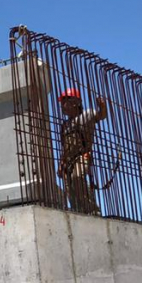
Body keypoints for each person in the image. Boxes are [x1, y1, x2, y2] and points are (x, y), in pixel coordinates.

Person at [57, 87, 108, 216]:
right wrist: (61, 163)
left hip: (82, 155)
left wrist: (102, 106)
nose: (62, 106)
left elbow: (102, 115)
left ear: (76, 102)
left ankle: (92, 210)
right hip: (69, 159)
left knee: (77, 177)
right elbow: (65, 146)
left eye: (65, 102)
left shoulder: (87, 115)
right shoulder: (65, 125)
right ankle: (78, 211)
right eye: (62, 103)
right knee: (68, 184)